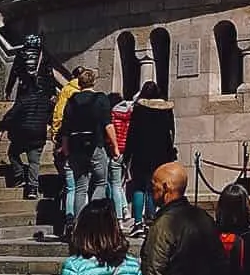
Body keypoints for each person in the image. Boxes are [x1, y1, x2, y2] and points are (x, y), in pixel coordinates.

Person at [1, 35, 56, 199]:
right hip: (38, 128)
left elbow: (14, 73)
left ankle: (19, 177)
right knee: (34, 161)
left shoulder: (21, 55)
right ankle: (33, 188)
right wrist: (51, 92)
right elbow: (50, 75)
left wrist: (8, 89)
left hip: (24, 108)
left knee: (13, 152)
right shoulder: (43, 56)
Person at [59, 72, 118, 223]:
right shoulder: (101, 99)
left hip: (76, 147)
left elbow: (65, 127)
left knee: (80, 187)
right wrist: (115, 147)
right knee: (100, 183)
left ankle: (79, 224)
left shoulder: (71, 100)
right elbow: (108, 125)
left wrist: (65, 148)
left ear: (79, 83)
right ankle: (95, 221)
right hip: (95, 146)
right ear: (93, 82)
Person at [124, 82, 176, 237]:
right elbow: (171, 133)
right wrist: (170, 154)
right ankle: (151, 221)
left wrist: (127, 155)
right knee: (154, 187)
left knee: (139, 187)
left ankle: (138, 223)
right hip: (160, 154)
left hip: (141, 153)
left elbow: (132, 133)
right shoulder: (166, 110)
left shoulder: (139, 109)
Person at [51, 68, 86, 228]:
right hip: (86, 143)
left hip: (67, 140)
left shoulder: (67, 91)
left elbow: (59, 114)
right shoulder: (90, 97)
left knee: (71, 185)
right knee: (83, 185)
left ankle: (70, 219)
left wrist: (55, 133)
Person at [107, 90, 136, 226]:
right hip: (128, 151)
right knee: (121, 183)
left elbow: (109, 133)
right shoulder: (131, 114)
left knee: (115, 184)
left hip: (115, 150)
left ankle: (118, 217)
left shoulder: (111, 115)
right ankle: (125, 209)